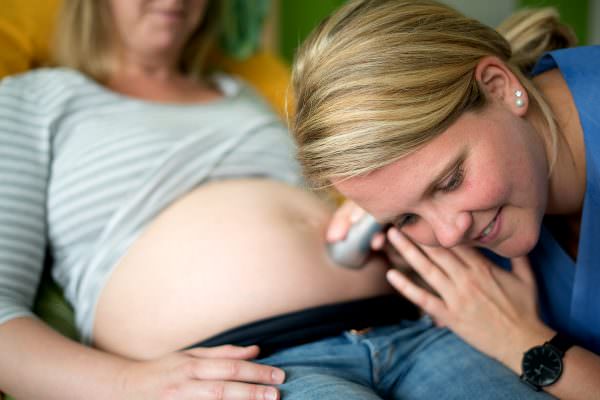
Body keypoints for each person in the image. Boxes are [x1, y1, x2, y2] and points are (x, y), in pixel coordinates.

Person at [0, 1, 556, 399]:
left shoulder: (250, 95)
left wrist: (382, 211)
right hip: (245, 373)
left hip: (413, 329)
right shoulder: (36, 100)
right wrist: (126, 386)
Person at [291, 0, 600, 398]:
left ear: (499, 87)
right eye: (406, 218)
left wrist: (524, 343)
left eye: (450, 181)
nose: (450, 234)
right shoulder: (490, 213)